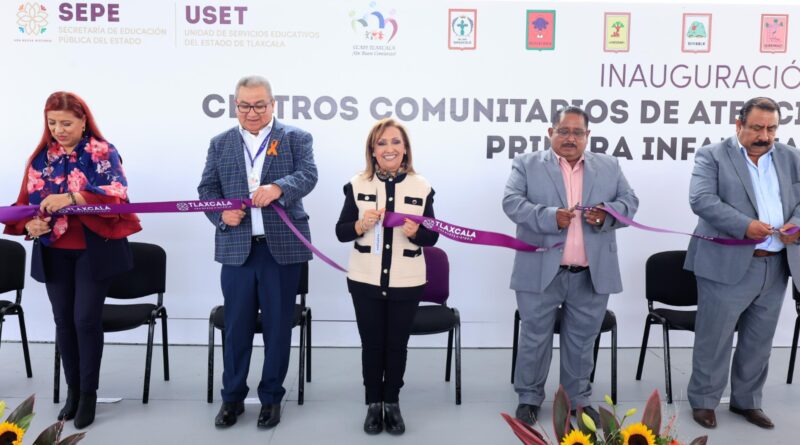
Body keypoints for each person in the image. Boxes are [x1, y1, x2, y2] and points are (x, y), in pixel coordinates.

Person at [3, 91, 141, 429]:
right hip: (53, 248)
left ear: (83, 121)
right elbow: (25, 205)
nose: (58, 130)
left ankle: (89, 394)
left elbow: (117, 194)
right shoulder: (41, 158)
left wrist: (72, 197)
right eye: (52, 123)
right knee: (63, 320)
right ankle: (73, 391)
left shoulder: (102, 151)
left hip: (96, 248)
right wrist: (31, 226)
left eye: (66, 123)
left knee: (85, 320)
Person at [503, 106, 638, 426]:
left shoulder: (609, 166)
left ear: (587, 136)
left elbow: (630, 203)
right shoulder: (526, 164)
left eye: (578, 132)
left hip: (591, 273)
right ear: (550, 133)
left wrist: (606, 214)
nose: (570, 138)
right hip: (539, 271)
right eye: (563, 131)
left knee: (582, 341)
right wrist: (550, 217)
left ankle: (578, 400)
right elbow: (512, 203)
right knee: (534, 338)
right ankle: (529, 398)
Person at [198, 75, 317, 429]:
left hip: (281, 250)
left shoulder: (295, 137)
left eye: (260, 105)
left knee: (278, 328)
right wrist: (221, 214)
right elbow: (207, 189)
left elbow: (308, 174)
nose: (252, 112)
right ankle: (232, 398)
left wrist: (278, 187)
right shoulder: (220, 143)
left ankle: (271, 398)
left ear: (273, 104)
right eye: (245, 105)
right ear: (236, 105)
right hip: (237, 250)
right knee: (236, 328)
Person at [685, 97, 800, 430]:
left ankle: (747, 401)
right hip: (725, 264)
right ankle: (704, 401)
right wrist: (745, 225)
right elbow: (701, 199)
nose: (765, 136)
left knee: (759, 340)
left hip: (775, 265)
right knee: (714, 338)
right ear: (739, 125)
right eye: (757, 128)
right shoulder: (712, 155)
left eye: (771, 129)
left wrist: (796, 224)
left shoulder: (792, 157)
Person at [335, 119, 438, 435]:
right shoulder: (357, 184)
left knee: (396, 345)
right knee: (372, 345)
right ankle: (373, 403)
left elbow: (432, 236)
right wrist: (361, 225)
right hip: (364, 280)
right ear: (372, 150)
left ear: (405, 148)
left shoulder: (421, 186)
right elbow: (341, 232)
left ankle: (391, 402)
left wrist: (417, 232)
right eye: (381, 143)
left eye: (395, 142)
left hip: (407, 282)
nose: (389, 148)